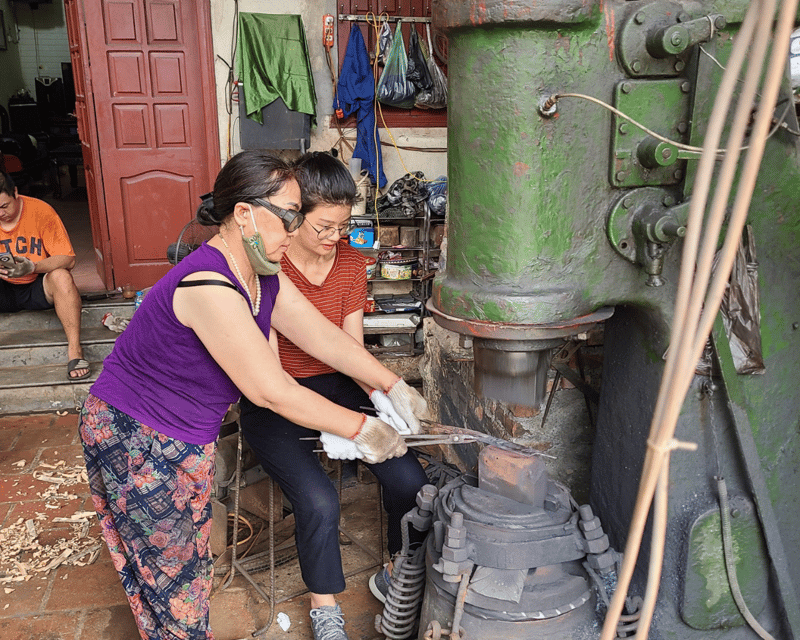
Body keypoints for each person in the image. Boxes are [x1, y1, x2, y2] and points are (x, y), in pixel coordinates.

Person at [78, 150, 429, 640]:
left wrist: (393, 384)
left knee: (188, 568)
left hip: (183, 432)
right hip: (138, 434)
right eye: (289, 217)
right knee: (173, 580)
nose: (295, 230)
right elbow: (272, 390)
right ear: (244, 214)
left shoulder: (260, 271)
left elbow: (322, 337)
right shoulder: (209, 283)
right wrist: (364, 427)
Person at [239, 152, 429, 636]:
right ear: (293, 215)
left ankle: (397, 571)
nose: (334, 239)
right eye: (323, 226)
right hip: (276, 395)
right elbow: (272, 377)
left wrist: (389, 396)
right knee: (319, 499)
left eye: (343, 227)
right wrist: (349, 425)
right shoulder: (265, 269)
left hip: (335, 385)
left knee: (408, 476)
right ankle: (325, 608)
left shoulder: (349, 264)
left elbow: (349, 348)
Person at [0, 171, 89, 379]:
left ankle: (75, 350)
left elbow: (68, 259)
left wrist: (32, 267)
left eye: (4, 206)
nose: (0, 213)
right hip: (3, 288)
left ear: (15, 192)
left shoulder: (40, 211)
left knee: (61, 276)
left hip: (36, 286)